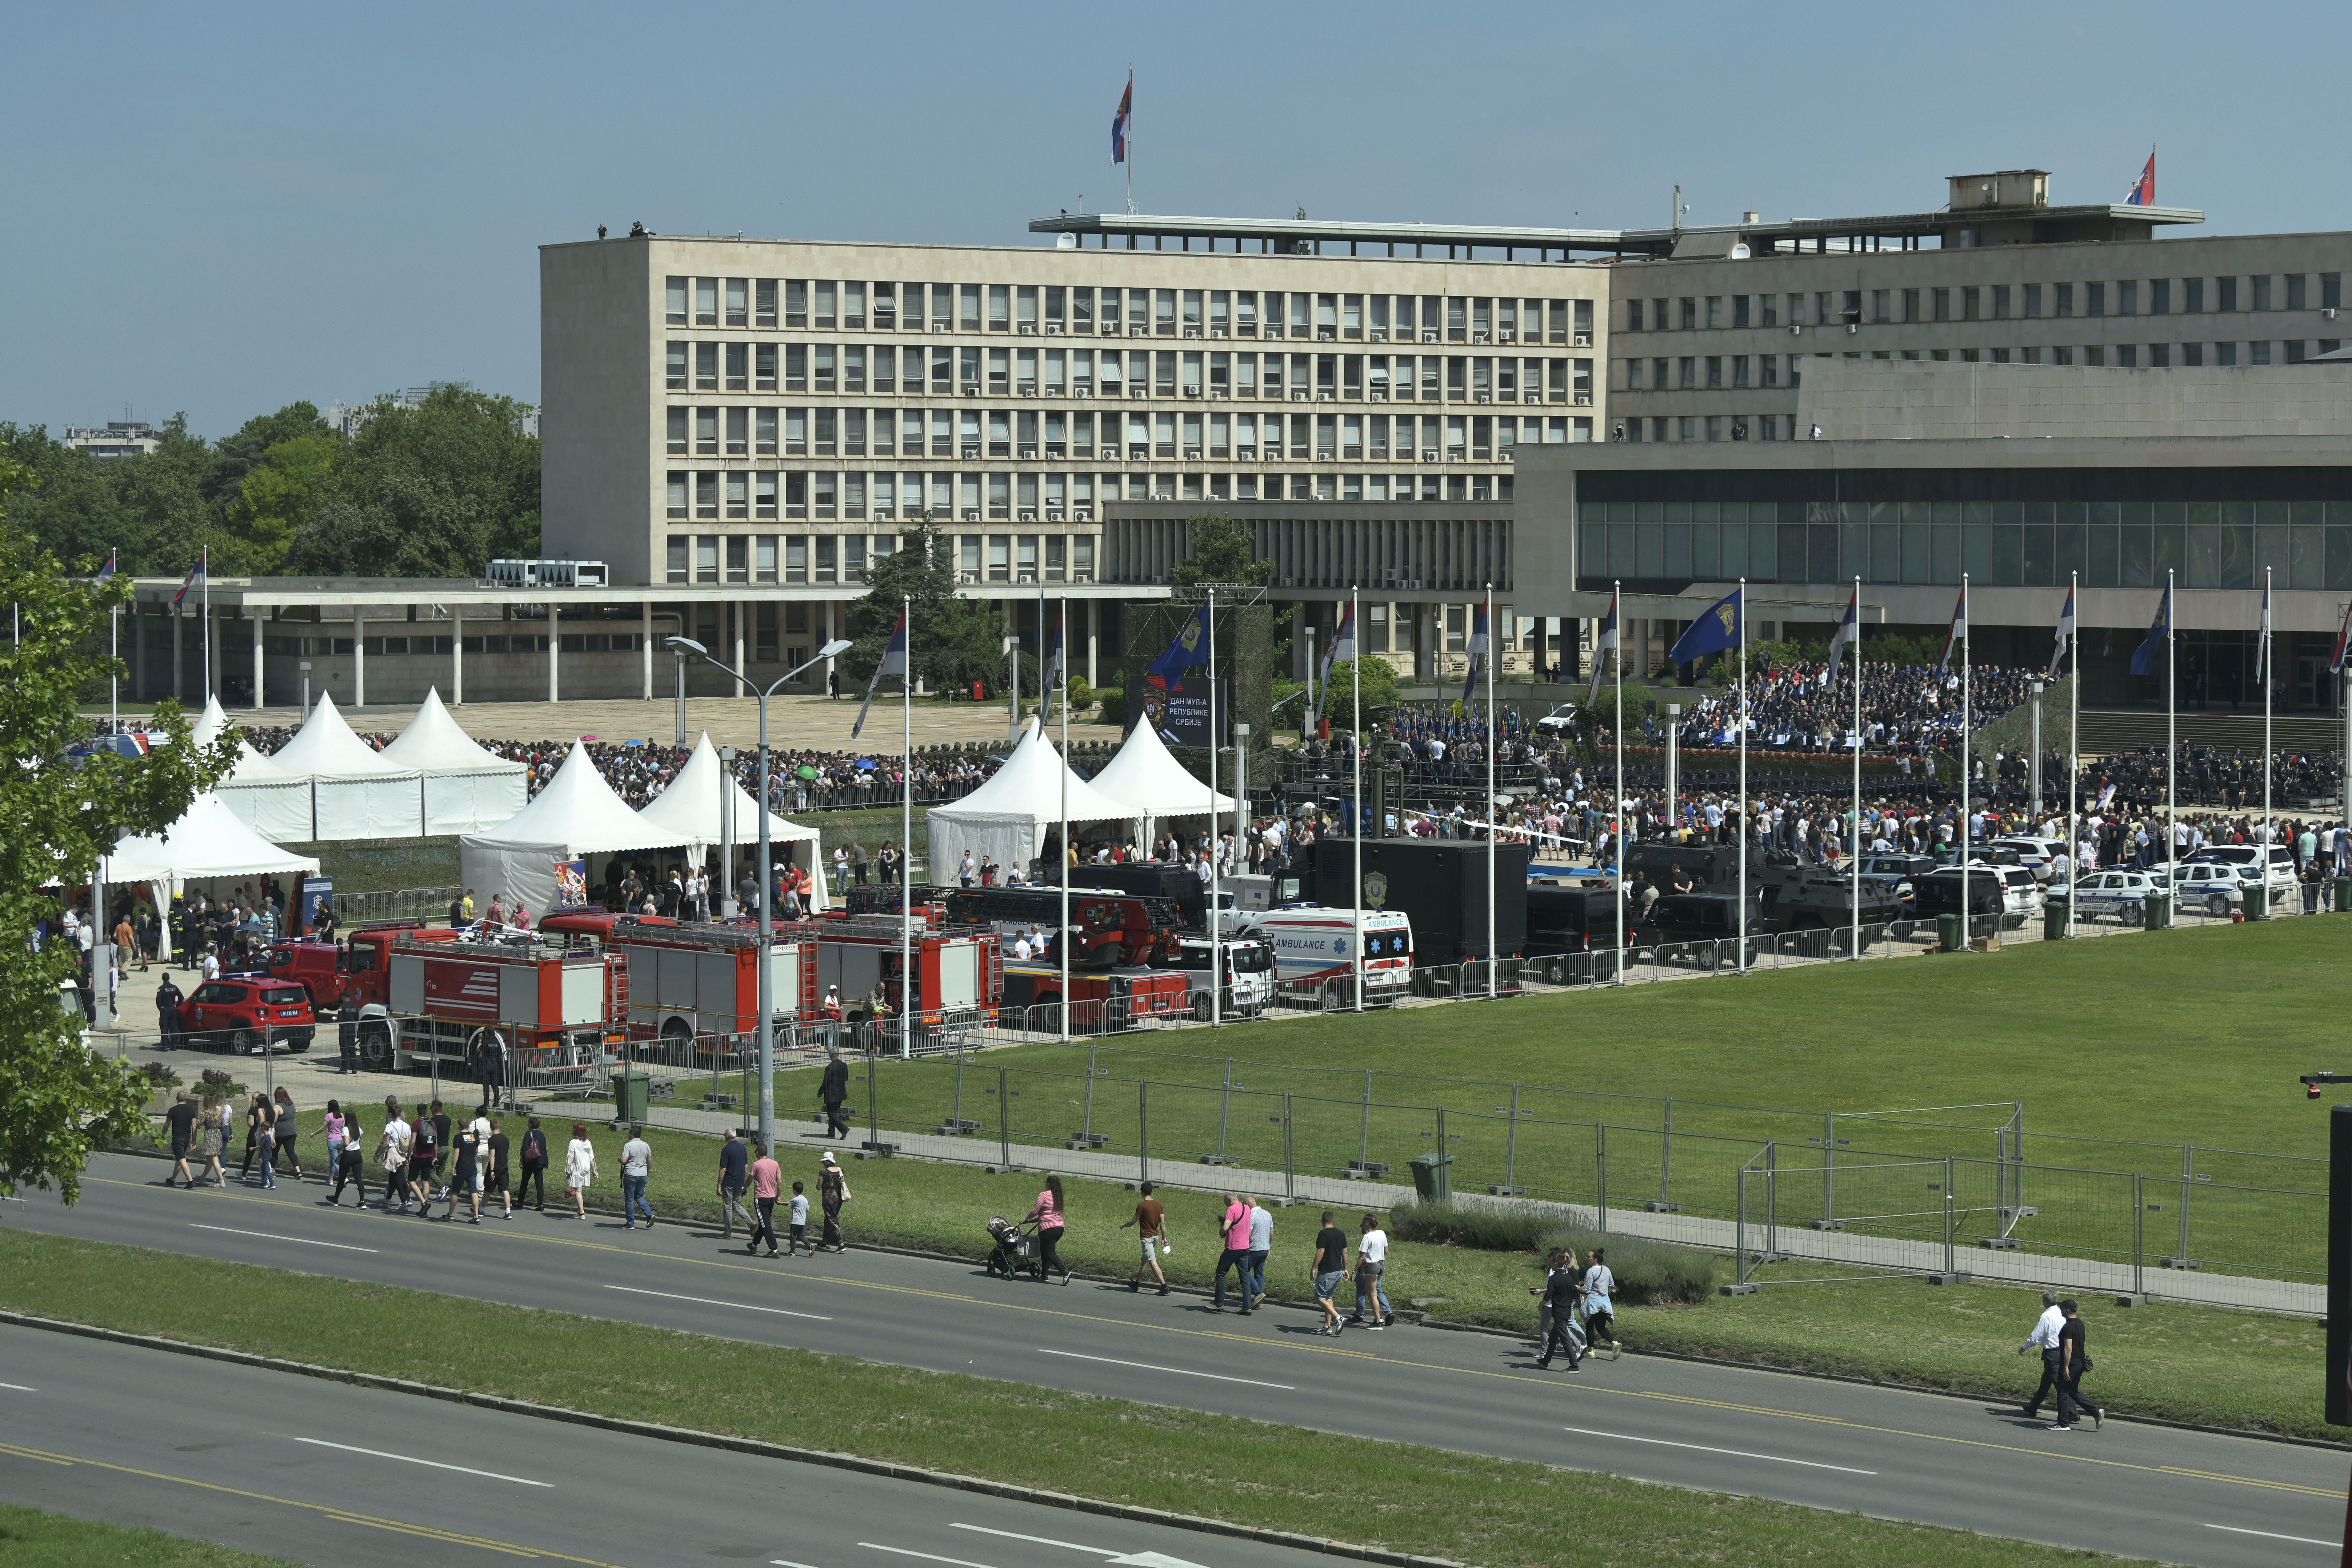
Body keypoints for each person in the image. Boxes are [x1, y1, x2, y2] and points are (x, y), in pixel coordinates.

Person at [2051, 1299, 2102, 1432]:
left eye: (2062, 1308)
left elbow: (2068, 1349)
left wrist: (2066, 1367)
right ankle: (2095, 1412)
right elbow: (2083, 1344)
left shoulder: (2068, 1327)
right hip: (2080, 1363)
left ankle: (2063, 1424)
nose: (2061, 1310)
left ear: (2067, 1311)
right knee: (2073, 1391)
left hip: (2071, 1364)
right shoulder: (2081, 1324)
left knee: (2062, 1393)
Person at [2018, 1290, 2067, 1420]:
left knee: (2059, 1385)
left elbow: (2036, 1337)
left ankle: (2072, 1413)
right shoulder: (2062, 1313)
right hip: (2061, 1351)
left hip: (2051, 1354)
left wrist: (2024, 1348)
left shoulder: (2046, 1317)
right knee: (2045, 1383)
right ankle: (2033, 1406)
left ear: (2046, 1301)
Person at [1535, 1251, 1585, 1370]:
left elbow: (1548, 1296)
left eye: (1552, 1263)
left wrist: (1540, 1306)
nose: (1551, 1265)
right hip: (1567, 1311)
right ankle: (1546, 1361)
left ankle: (1574, 1366)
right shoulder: (1569, 1278)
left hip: (1558, 1313)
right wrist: (1567, 1303)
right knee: (1553, 1337)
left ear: (1556, 1264)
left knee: (1565, 1339)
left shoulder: (1554, 1278)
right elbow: (1575, 1294)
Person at [1120, 1181, 1169, 1294]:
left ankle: (1165, 1287)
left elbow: (1133, 1222)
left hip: (1147, 1238)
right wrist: (1164, 1238)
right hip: (1156, 1237)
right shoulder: (1159, 1205)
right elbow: (1162, 1223)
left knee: (1152, 1261)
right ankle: (1136, 1284)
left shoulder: (1142, 1206)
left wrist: (1123, 1225)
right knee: (1145, 1260)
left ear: (1142, 1192)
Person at [1310, 1210, 1350, 1335]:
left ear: (1322, 1221)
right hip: (1338, 1270)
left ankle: (1339, 1318)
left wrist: (1313, 1268)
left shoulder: (1323, 1234)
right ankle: (1328, 1326)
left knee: (1319, 1298)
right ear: (1334, 1221)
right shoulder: (1341, 1234)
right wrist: (1345, 1269)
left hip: (1327, 1271)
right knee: (1329, 1298)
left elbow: (1321, 1252)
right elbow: (1345, 1253)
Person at [1026, 1174, 1071, 1285]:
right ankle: (1044, 1276)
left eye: (1046, 1183)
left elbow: (1035, 1210)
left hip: (1048, 1229)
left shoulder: (1044, 1195)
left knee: (1050, 1252)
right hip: (1060, 1228)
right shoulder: (1058, 1197)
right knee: (1045, 1250)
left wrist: (1027, 1219)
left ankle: (1064, 1272)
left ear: (1049, 1184)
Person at [1211, 1192, 1252, 1313]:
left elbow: (1225, 1228)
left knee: (1220, 1273)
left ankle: (1219, 1304)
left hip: (1233, 1248)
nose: (1225, 1205)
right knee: (1245, 1277)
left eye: (1225, 1203)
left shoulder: (1231, 1209)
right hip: (1245, 1248)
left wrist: (1221, 1231)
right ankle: (1247, 1307)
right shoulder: (1247, 1208)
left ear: (1230, 1200)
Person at [1351, 1213, 1393, 1329]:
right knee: (1369, 1291)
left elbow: (1362, 1257)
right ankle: (1379, 1315)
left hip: (1371, 1266)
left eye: (1363, 1225)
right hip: (1381, 1265)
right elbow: (1386, 1251)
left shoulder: (1367, 1237)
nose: (1362, 1228)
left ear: (1366, 1224)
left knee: (1373, 1295)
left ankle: (1378, 1321)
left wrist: (1355, 1272)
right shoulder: (1382, 1233)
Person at [1581, 1247, 1622, 1359]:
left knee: (1590, 1327)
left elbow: (1587, 1290)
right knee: (1601, 1328)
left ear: (1595, 1260)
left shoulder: (1591, 1272)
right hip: (1605, 1303)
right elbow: (1612, 1284)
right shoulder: (1607, 1270)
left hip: (1594, 1304)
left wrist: (1578, 1288)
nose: (1587, 1258)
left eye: (1589, 1257)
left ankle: (1591, 1352)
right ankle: (1614, 1343)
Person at [745, 1142, 782, 1257]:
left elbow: (749, 1180)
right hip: (771, 1198)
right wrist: (778, 1196)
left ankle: (774, 1249)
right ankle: (754, 1244)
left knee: (766, 1224)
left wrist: (743, 1189)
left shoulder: (756, 1165)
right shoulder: (775, 1164)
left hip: (760, 1199)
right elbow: (780, 1182)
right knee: (763, 1223)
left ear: (758, 1153)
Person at [377, 1099, 414, 1213]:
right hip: (403, 1154)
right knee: (393, 1178)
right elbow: (409, 1141)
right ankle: (388, 1200)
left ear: (390, 1114)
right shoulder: (407, 1126)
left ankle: (404, 1202)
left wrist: (378, 1154)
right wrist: (409, 1156)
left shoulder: (390, 1126)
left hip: (393, 1154)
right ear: (401, 1114)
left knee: (398, 1178)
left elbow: (386, 1143)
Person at [716, 1128, 753, 1240]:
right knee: (737, 1205)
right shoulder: (743, 1148)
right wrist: (743, 1181)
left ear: (727, 1137)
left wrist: (719, 1185)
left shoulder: (726, 1150)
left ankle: (728, 1233)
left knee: (728, 1206)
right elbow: (746, 1167)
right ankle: (751, 1223)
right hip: (739, 1182)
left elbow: (723, 1169)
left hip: (728, 1182)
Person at [619, 1124, 654, 1229]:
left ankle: (630, 1223)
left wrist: (620, 1159)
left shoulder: (629, 1146)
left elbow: (624, 1161)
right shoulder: (646, 1145)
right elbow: (650, 1161)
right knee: (639, 1196)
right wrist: (647, 1172)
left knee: (629, 1199)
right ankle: (649, 1215)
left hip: (631, 1174)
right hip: (643, 1174)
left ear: (632, 1134)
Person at [330, 1110, 367, 1207]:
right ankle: (362, 1202)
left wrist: (340, 1147)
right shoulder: (359, 1129)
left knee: (342, 1178)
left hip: (348, 1155)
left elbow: (346, 1143)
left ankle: (336, 1199)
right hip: (358, 1155)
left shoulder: (346, 1129)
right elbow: (359, 1143)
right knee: (359, 1179)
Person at [162, 1090, 198, 1187]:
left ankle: (190, 1181)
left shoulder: (173, 1110)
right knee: (179, 1159)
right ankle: (172, 1180)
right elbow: (194, 1127)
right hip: (187, 1139)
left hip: (177, 1139)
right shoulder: (191, 1111)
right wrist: (194, 1141)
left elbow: (166, 1125)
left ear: (177, 1099)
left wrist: (162, 1136)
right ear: (186, 1099)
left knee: (182, 1159)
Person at [563, 1123, 597, 1218]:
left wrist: (567, 1169)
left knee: (578, 1192)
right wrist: (594, 1170)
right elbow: (591, 1158)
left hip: (577, 1170)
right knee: (580, 1191)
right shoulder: (588, 1143)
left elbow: (570, 1157)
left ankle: (582, 1213)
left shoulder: (573, 1143)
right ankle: (579, 1212)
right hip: (586, 1170)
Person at [1246, 1197, 1273, 1311]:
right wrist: (1268, 1246)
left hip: (1254, 1249)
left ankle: (1258, 1293)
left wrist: (1246, 1246)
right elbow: (1272, 1232)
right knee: (1259, 1274)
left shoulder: (1251, 1216)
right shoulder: (1267, 1214)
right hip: (1265, 1249)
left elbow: (1249, 1234)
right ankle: (1259, 1302)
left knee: (1244, 1270)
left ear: (1247, 1206)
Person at [517, 1116, 550, 1211]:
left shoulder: (529, 1134)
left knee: (525, 1182)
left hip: (530, 1161)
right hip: (540, 1161)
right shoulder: (542, 1135)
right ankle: (541, 1204)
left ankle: (520, 1202)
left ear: (530, 1125)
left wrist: (522, 1159)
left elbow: (524, 1147)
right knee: (539, 1184)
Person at [819, 1048, 852, 1140]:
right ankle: (831, 1133)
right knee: (834, 1113)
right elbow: (846, 1078)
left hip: (832, 1094)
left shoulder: (830, 1068)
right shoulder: (844, 1065)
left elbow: (826, 1082)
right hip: (841, 1093)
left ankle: (844, 1129)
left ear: (831, 1055)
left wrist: (820, 1092)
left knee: (832, 1114)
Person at [818, 1150, 847, 1251]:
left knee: (832, 1220)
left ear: (827, 1162)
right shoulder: (841, 1171)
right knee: (829, 1218)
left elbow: (819, 1187)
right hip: (838, 1199)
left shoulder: (824, 1173)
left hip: (828, 1199)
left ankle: (841, 1244)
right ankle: (824, 1242)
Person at [271, 1087, 301, 1179]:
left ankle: (273, 1170)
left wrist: (272, 1131)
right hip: (292, 1132)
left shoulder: (277, 1107)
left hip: (281, 1133)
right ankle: (298, 1171)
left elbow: (274, 1120)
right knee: (291, 1152)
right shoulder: (292, 1105)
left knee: (274, 1152)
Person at [486, 1116, 513, 1219]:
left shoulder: (492, 1140)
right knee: (505, 1189)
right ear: (500, 1126)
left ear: (491, 1127)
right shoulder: (505, 1139)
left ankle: (482, 1210)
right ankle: (508, 1211)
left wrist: (492, 1170)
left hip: (495, 1169)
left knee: (488, 1190)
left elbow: (492, 1156)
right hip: (504, 1167)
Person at [156, 972, 184, 1046]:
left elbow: (158, 999)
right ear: (169, 978)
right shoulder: (174, 987)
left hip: (165, 1010)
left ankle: (164, 1047)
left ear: (163, 979)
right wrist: (177, 1006)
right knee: (173, 1028)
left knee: (164, 1028)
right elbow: (181, 997)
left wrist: (160, 1008)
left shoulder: (161, 988)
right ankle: (174, 1046)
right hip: (173, 1010)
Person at [785, 1179, 810, 1255]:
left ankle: (792, 1251)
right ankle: (810, 1246)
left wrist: (779, 1203)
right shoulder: (805, 1200)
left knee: (793, 1236)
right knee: (801, 1236)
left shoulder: (795, 1200)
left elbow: (787, 1204)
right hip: (802, 1222)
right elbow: (808, 1210)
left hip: (795, 1221)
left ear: (794, 1191)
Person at [336, 998, 360, 1074]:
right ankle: (354, 1069)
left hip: (344, 1029)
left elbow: (339, 1020)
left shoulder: (342, 1007)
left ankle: (344, 1069)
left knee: (345, 1049)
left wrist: (335, 1020)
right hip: (352, 1029)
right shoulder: (355, 1007)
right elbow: (357, 1019)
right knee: (352, 1049)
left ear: (344, 997)